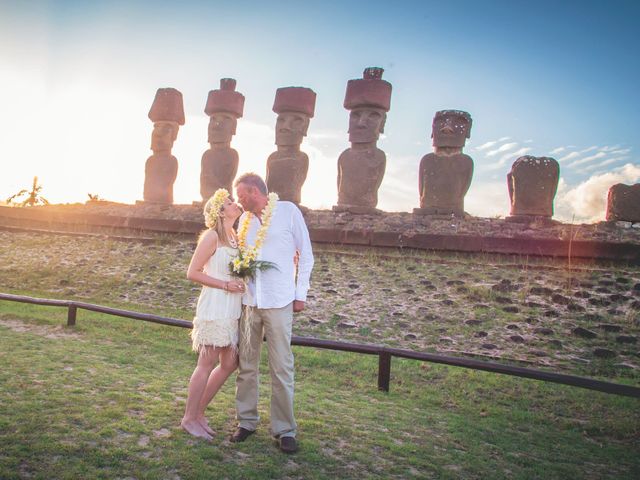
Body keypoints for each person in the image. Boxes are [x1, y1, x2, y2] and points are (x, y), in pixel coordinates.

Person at [231, 172, 314, 454]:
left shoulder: (288, 212)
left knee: (281, 367)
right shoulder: (242, 221)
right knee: (247, 365)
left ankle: (285, 430)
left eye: (241, 196)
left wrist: (300, 294)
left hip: (280, 302)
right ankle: (246, 421)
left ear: (255, 191)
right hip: (250, 302)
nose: (239, 201)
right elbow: (241, 259)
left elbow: (306, 255)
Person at [181, 188, 246, 440]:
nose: (235, 204)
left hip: (233, 307)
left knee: (229, 363)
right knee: (206, 363)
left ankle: (199, 412)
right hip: (216, 304)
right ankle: (189, 417)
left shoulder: (235, 237)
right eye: (230, 202)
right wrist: (225, 285)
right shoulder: (211, 236)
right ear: (220, 211)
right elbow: (193, 272)